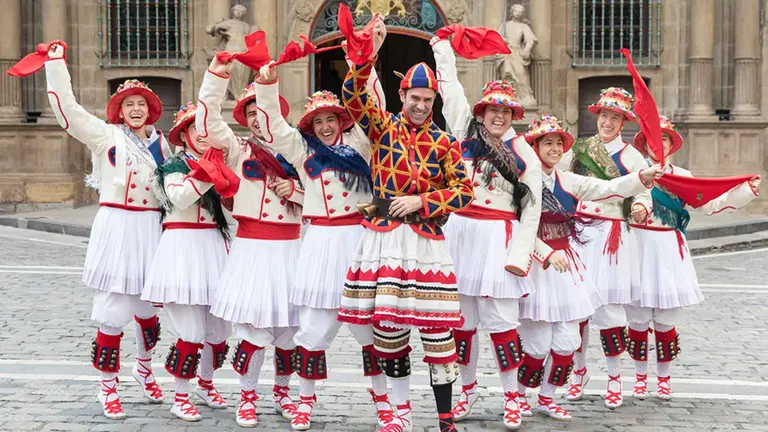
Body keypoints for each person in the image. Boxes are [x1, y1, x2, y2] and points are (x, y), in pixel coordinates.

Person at [337, 20, 474, 432]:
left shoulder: (446, 142)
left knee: (438, 335)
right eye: (415, 97)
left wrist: (423, 200)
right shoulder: (383, 128)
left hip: (427, 241)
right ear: (402, 95)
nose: (420, 105)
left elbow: (464, 190)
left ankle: (446, 418)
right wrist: (365, 57)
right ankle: (399, 414)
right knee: (389, 330)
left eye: (427, 98)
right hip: (384, 239)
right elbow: (354, 97)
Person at [252, 59, 392, 430]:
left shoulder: (362, 142)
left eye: (331, 118)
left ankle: (385, 406)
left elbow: (375, 106)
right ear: (311, 126)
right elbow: (273, 128)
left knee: (371, 332)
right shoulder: (303, 150)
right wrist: (268, 86)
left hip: (358, 240)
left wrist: (364, 63)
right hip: (321, 240)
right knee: (313, 330)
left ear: (341, 120)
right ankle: (305, 402)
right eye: (319, 121)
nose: (326, 126)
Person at [44, 43, 172, 419]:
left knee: (149, 311)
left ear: (151, 111)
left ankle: (145, 369)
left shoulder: (162, 145)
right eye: (129, 104)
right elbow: (68, 111)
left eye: (142, 105)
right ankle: (108, 387)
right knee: (114, 311)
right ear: (120, 110)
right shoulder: (105, 136)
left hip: (151, 228)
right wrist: (55, 65)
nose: (136, 110)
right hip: (117, 226)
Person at [516, 115, 661, 420]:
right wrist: (543, 253)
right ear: (535, 147)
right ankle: (516, 396)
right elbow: (516, 225)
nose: (555, 149)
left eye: (558, 143)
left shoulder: (567, 180)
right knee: (538, 344)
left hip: (568, 261)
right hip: (537, 264)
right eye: (548, 143)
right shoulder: (521, 180)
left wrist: (641, 178)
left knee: (568, 339)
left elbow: (605, 188)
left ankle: (546, 397)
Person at [431, 37, 542, 430]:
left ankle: (513, 396)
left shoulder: (524, 152)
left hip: (499, 237)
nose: (499, 116)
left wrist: (520, 255)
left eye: (505, 111)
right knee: (460, 323)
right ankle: (468, 389)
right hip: (461, 234)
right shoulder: (465, 131)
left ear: (514, 114)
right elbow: (450, 91)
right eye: (493, 109)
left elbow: (532, 211)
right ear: (483, 112)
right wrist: (442, 48)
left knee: (501, 324)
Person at [197, 56, 305, 428]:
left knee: (290, 329)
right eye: (252, 113)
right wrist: (216, 75)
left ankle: (283, 392)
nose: (259, 119)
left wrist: (297, 191)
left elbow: (326, 196)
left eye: (264, 110)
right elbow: (207, 121)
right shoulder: (237, 147)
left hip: (291, 245)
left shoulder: (297, 150)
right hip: (253, 246)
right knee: (253, 328)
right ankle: (247, 396)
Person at [626, 115, 761, 400]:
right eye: (652, 139)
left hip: (667, 249)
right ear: (645, 144)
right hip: (637, 246)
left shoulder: (683, 177)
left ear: (671, 145)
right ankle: (639, 377)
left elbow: (711, 203)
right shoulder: (632, 172)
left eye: (663, 138)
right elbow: (614, 203)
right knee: (637, 319)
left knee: (664, 321)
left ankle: (663, 378)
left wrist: (745, 191)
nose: (657, 144)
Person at [559, 87, 652, 409]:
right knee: (577, 308)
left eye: (615, 118)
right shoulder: (580, 149)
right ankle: (578, 371)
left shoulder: (631, 157)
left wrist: (641, 205)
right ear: (596, 117)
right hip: (580, 232)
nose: (608, 123)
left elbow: (644, 190)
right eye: (604, 116)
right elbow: (561, 181)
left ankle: (615, 377)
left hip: (612, 235)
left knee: (610, 310)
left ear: (623, 122)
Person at [141, 102, 232, 421]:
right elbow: (180, 197)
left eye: (206, 128)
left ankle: (205, 384)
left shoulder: (222, 160)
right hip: (183, 247)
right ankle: (180, 395)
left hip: (213, 245)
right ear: (184, 134)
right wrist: (210, 172)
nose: (202, 134)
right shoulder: (173, 166)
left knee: (219, 331)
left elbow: (233, 207)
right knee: (191, 331)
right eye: (195, 128)